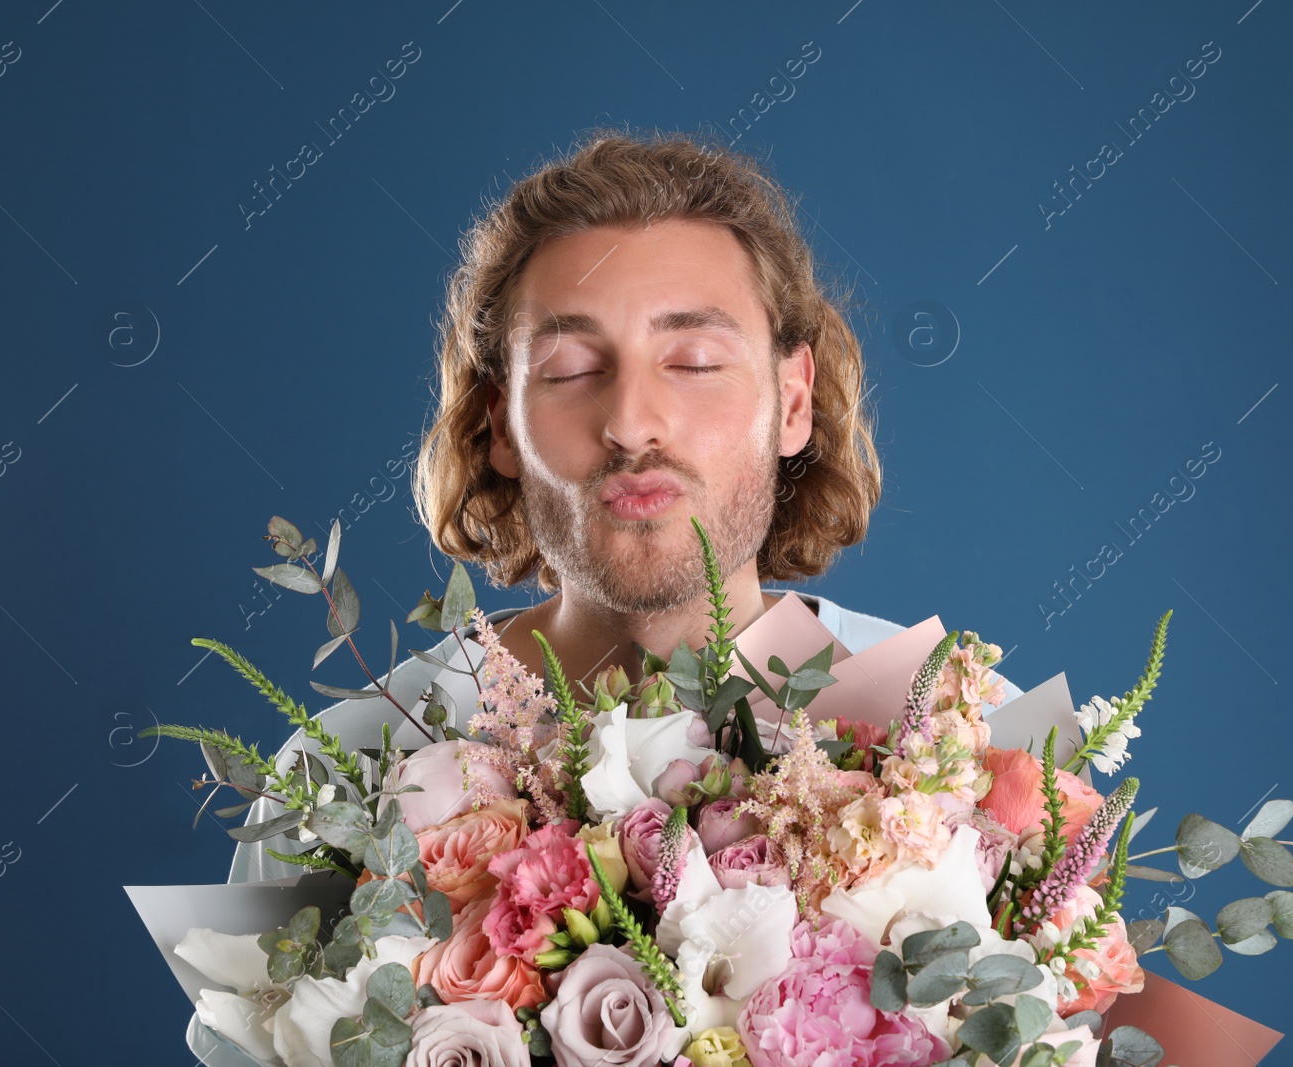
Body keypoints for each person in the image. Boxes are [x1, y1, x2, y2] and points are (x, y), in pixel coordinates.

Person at [225, 127, 1023, 887]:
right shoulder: (334, 784)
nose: (632, 422)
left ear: (792, 400)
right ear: (501, 424)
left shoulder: (966, 749)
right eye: (571, 369)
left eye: (696, 361)